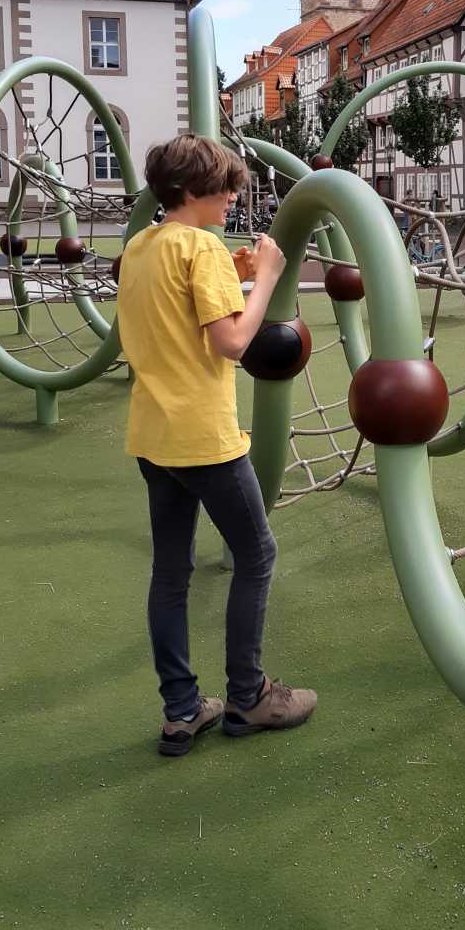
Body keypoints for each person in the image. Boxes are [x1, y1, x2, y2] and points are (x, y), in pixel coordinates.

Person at [116, 133, 317, 756]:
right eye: (226, 187)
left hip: (154, 436)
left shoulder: (142, 247)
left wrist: (235, 272)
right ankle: (248, 696)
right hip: (205, 438)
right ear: (192, 191)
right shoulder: (200, 247)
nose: (234, 196)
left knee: (171, 572)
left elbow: (173, 308)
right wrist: (269, 280)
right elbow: (231, 342)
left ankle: (182, 710)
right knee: (256, 555)